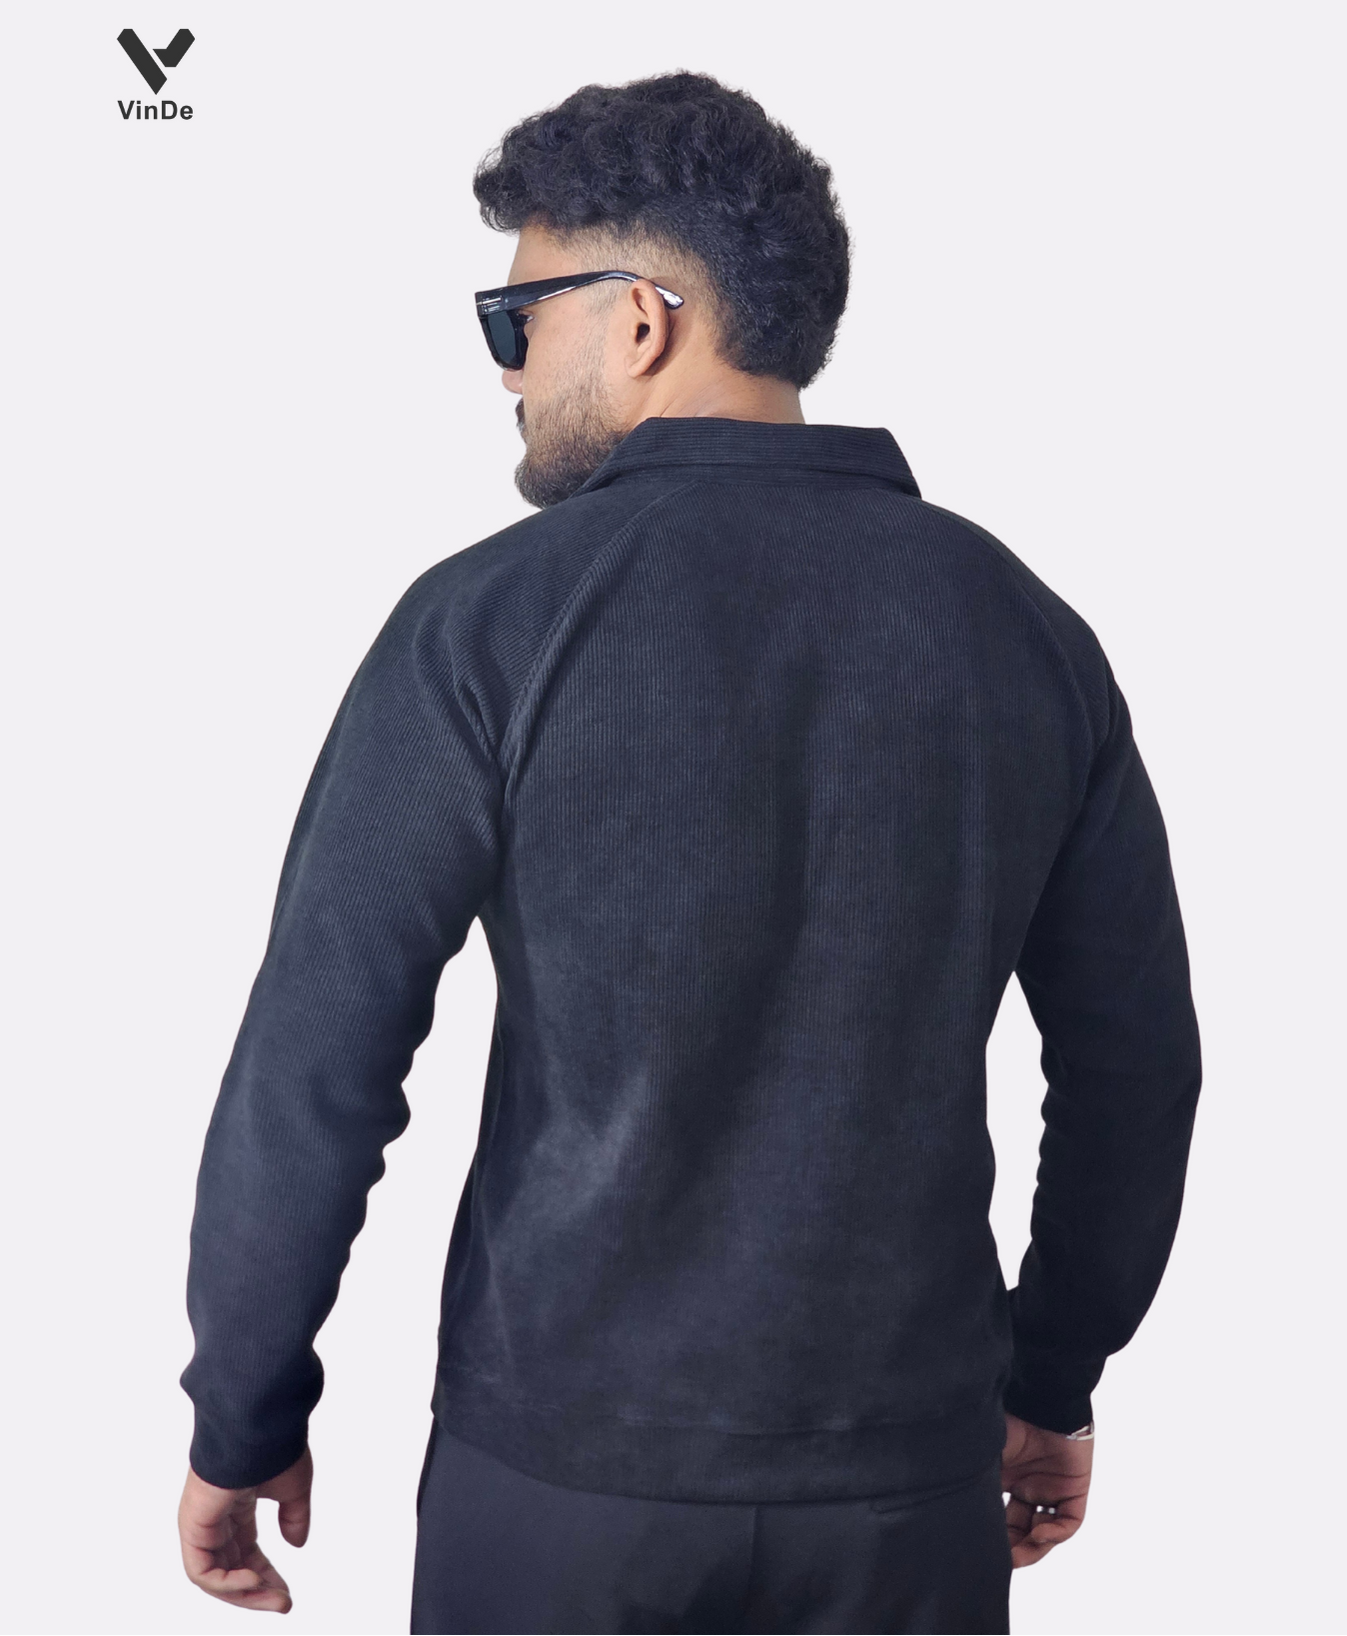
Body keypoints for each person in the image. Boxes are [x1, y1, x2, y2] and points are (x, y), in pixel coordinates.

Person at [176, 71, 1202, 1633]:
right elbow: (1137, 1066)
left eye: (517, 317)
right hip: (904, 1491)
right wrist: (1051, 1374)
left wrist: (242, 1413)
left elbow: (318, 1058)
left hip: (560, 1490)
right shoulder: (1020, 632)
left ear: (643, 320)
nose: (506, 367)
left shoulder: (489, 622)